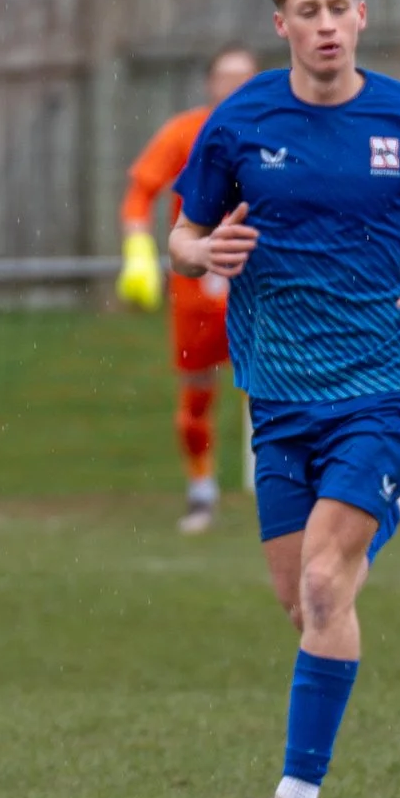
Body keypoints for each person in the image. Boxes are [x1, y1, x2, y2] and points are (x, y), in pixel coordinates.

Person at [170, 0, 400, 798]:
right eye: (306, 10)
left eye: (338, 8)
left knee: (324, 585)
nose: (325, 25)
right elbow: (182, 237)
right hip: (277, 391)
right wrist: (202, 249)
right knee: (302, 599)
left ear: (363, 15)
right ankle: (398, 498)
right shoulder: (238, 123)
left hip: (383, 383)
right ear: (281, 24)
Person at [116, 44, 260, 533]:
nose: (236, 86)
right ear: (210, 83)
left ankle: (285, 488)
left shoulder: (277, 131)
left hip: (262, 285)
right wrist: (138, 249)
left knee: (276, 386)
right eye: (227, 77)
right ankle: (202, 492)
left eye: (245, 77)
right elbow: (140, 191)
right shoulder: (185, 133)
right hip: (198, 289)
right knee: (197, 394)